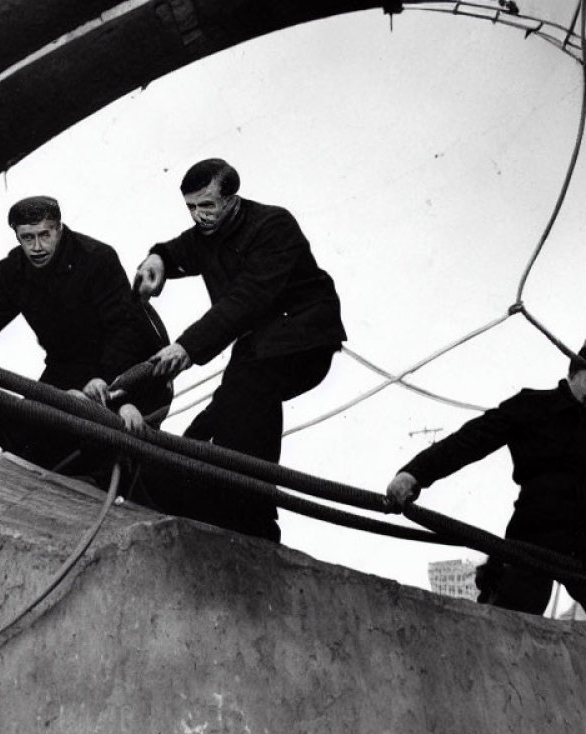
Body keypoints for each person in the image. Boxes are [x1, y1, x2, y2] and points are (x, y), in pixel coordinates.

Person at [132, 158, 346, 541]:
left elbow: (246, 300)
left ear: (232, 199)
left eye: (208, 206)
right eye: (191, 208)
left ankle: (254, 517)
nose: (200, 217)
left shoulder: (273, 225)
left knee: (247, 395)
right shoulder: (205, 234)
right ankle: (185, 485)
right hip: (257, 349)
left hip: (302, 341)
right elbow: (176, 250)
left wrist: (186, 347)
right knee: (211, 423)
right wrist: (157, 259)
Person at [0, 195, 171, 468]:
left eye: (45, 235)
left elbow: (124, 331)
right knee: (23, 433)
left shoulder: (97, 259)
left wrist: (107, 381)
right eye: (27, 237)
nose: (37, 247)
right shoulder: (15, 269)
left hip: (130, 372)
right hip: (67, 368)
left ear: (59, 229)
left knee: (105, 449)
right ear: (17, 236)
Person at [385, 345, 586, 616]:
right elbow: (471, 440)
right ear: (574, 373)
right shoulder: (533, 407)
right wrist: (414, 473)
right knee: (512, 615)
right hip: (537, 532)